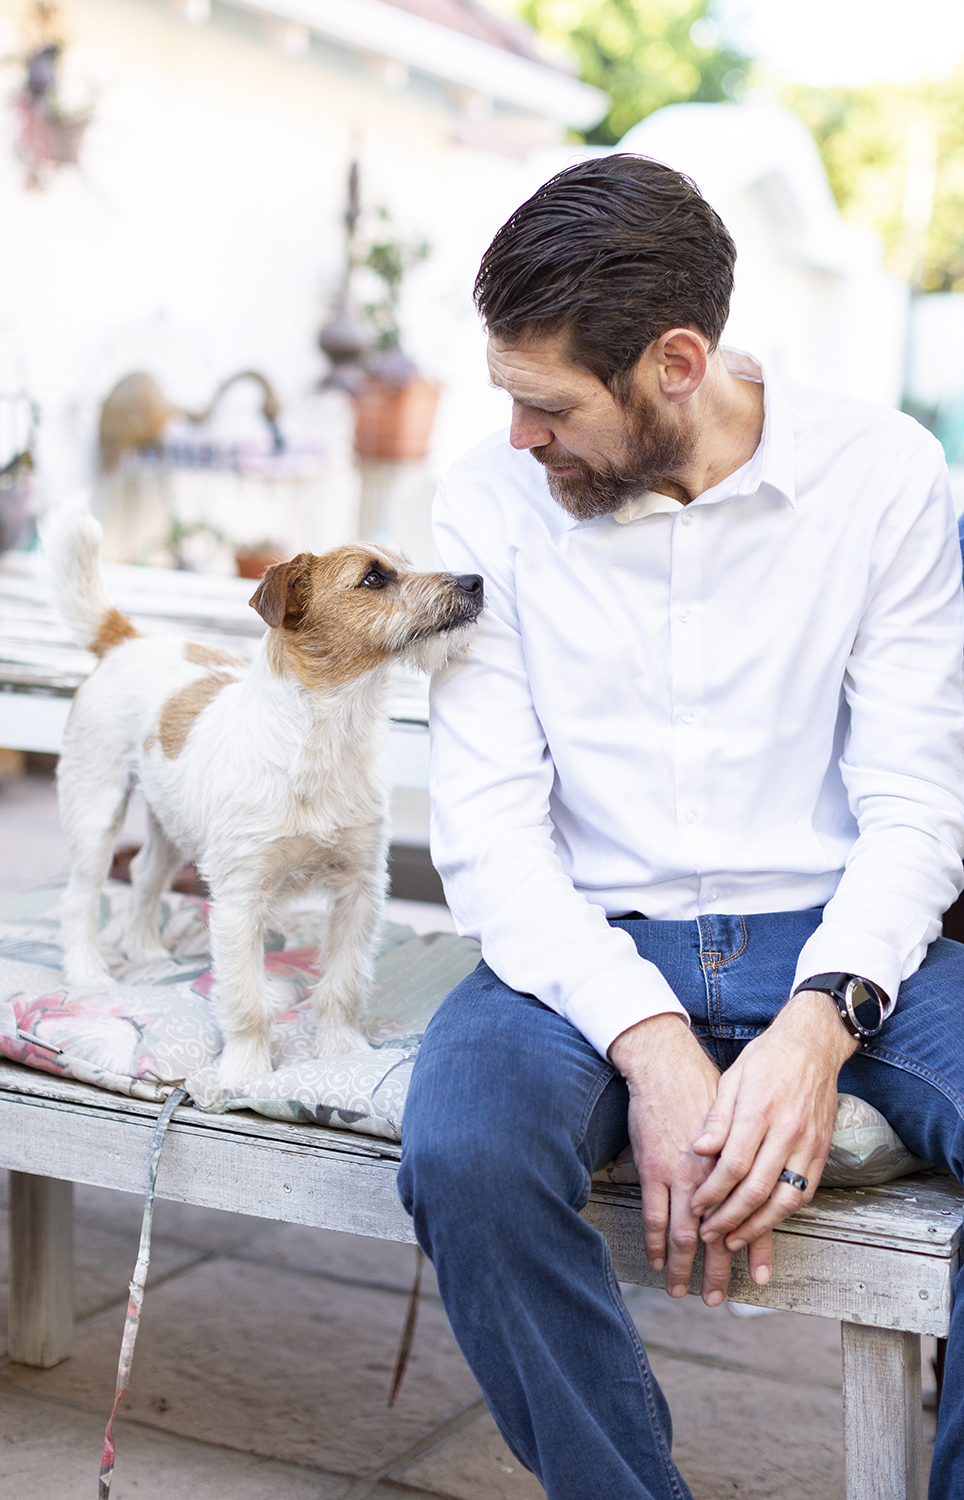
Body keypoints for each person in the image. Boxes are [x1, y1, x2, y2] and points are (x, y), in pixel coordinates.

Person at [395, 154, 964, 1500]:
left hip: (841, 935)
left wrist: (819, 1024)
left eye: (549, 405)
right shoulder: (492, 499)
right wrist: (650, 1043)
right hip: (580, 943)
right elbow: (487, 832)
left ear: (677, 362)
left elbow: (918, 802)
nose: (523, 438)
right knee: (465, 1152)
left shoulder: (881, 473)